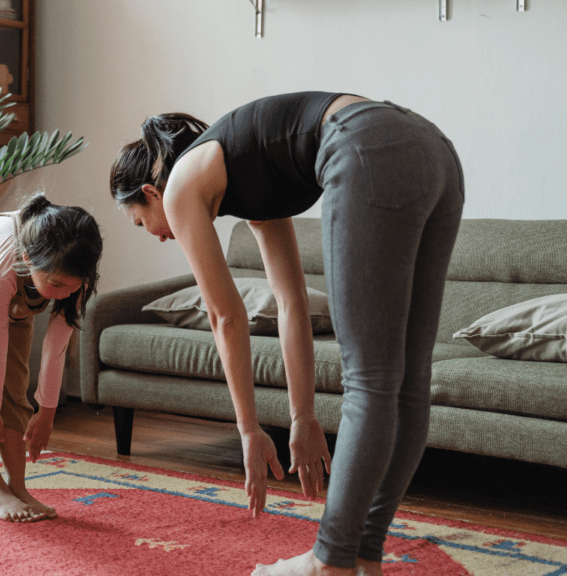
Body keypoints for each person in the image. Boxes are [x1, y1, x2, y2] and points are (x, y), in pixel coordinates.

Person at [109, 92, 464, 575]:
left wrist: (249, 430)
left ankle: (329, 561)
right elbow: (289, 302)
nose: (156, 233)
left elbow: (226, 317)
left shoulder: (179, 187)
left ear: (151, 194)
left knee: (370, 378)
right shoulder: (253, 176)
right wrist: (302, 417)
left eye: (140, 222)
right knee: (406, 381)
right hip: (433, 150)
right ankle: (363, 556)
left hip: (366, 145)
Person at [0, 193, 102, 523]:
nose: (66, 293)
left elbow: (56, 348)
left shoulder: (74, 274)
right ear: (28, 258)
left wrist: (47, 413)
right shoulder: (3, 265)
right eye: (56, 284)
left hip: (17, 298)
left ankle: (18, 487)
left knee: (15, 387)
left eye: (73, 286)